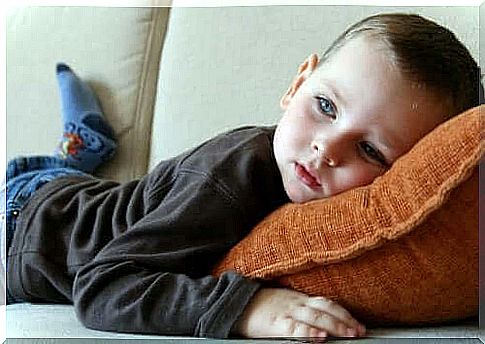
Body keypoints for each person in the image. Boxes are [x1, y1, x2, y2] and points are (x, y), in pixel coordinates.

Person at [2, 13, 482, 339]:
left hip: (81, 195)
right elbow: (102, 286)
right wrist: (249, 309)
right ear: (296, 85)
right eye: (325, 106)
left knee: (86, 179)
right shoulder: (227, 177)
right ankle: (76, 146)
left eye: (370, 150)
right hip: (26, 226)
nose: (325, 148)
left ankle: (79, 146)